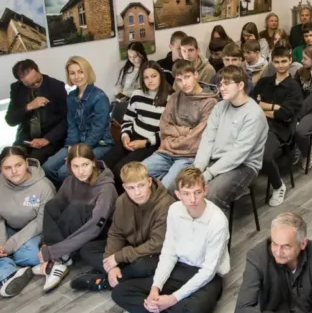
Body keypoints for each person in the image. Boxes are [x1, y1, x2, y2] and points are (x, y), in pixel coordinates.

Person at [113, 167, 228, 313]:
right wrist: (155, 288)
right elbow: (169, 252)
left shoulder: (218, 221)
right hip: (180, 267)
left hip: (207, 275)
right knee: (119, 292)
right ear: (178, 194)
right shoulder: (174, 210)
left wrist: (173, 299)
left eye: (197, 192)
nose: (192, 199)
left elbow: (209, 270)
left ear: (205, 190)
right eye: (186, 194)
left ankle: (144, 310)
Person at [0, 146, 56, 298]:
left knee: (31, 255)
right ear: (0, 169)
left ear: (26, 163)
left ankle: (0, 263)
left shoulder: (44, 186)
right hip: (9, 228)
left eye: (18, 165)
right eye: (7, 168)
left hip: (36, 232)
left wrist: (11, 245)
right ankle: (10, 273)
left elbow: (40, 223)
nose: (14, 171)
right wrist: (0, 241)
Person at [72, 162, 172, 292]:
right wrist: (111, 263)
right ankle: (115, 273)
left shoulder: (165, 204)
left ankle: (106, 281)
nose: (137, 192)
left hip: (154, 253)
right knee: (87, 249)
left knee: (143, 266)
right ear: (124, 187)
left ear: (149, 181)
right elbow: (116, 233)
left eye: (141, 185)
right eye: (131, 188)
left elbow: (156, 244)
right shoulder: (122, 201)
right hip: (132, 248)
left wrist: (118, 257)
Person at [36, 144, 117, 292]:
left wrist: (54, 251)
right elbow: (53, 214)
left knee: (77, 208)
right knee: (52, 205)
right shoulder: (69, 181)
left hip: (100, 232)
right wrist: (45, 244)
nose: (81, 171)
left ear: (93, 162)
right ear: (69, 166)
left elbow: (94, 227)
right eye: (76, 166)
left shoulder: (106, 187)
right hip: (76, 230)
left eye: (85, 165)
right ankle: (60, 259)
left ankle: (59, 258)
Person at [194, 65, 268, 208]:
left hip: (244, 166)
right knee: (179, 185)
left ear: (240, 85)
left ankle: (215, 223)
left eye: (226, 84)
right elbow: (208, 139)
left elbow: (238, 154)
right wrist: (198, 169)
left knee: (210, 194)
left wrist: (208, 174)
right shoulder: (219, 107)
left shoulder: (254, 115)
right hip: (216, 159)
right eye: (220, 84)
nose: (222, 88)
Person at [142, 60, 217, 191]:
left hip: (188, 156)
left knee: (165, 187)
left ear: (196, 75)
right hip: (165, 152)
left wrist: (172, 140)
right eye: (179, 80)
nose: (184, 83)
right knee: (137, 175)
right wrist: (186, 131)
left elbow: (198, 138)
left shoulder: (210, 102)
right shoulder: (175, 97)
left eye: (187, 77)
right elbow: (164, 126)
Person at [42, 56, 112, 186]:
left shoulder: (100, 96)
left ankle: (73, 192)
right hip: (77, 142)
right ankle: (66, 191)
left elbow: (98, 129)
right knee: (47, 168)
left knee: (64, 172)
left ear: (87, 72)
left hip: (99, 143)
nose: (77, 76)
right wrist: (71, 145)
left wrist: (78, 152)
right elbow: (72, 125)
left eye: (80, 72)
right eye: (72, 73)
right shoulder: (71, 96)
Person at [102, 61, 172, 181]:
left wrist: (144, 143)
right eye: (146, 77)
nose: (150, 80)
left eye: (153, 76)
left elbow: (168, 131)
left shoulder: (171, 98)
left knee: (120, 171)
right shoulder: (137, 94)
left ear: (161, 76)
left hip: (151, 144)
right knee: (104, 164)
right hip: (132, 137)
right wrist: (125, 136)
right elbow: (128, 119)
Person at [253, 45, 304, 206]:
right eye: (277, 62)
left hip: (279, 129)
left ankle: (278, 186)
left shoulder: (294, 87)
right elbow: (251, 103)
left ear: (290, 61)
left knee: (265, 155)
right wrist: (276, 107)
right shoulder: (264, 82)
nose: (280, 65)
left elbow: (285, 114)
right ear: (272, 62)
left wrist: (262, 106)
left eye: (284, 61)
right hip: (255, 124)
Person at [4, 58, 67, 165]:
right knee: (10, 158)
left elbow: (66, 120)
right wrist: (29, 106)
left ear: (38, 70)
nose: (36, 85)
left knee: (33, 162)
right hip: (26, 137)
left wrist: (47, 139)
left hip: (49, 136)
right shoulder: (17, 89)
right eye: (30, 85)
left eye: (38, 80)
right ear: (21, 81)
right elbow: (10, 120)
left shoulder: (56, 86)